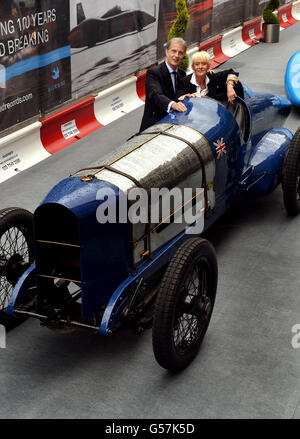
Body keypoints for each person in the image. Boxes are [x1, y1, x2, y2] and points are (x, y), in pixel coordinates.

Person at [139, 37, 188, 132]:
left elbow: (182, 95)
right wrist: (172, 104)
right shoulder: (153, 73)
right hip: (154, 127)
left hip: (174, 127)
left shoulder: (182, 74)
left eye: (180, 53)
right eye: (173, 51)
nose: (176, 55)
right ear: (166, 51)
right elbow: (156, 95)